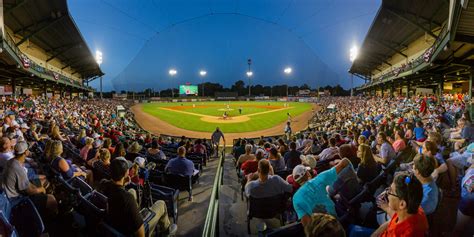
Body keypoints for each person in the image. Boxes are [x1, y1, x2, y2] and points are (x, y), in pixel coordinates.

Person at [99, 157, 177, 237]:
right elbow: (140, 234)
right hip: (131, 231)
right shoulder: (127, 198)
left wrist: (123, 184)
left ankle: (135, 213)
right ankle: (166, 232)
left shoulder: (104, 184)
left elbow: (116, 190)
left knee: (132, 190)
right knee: (161, 203)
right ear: (126, 173)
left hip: (116, 222)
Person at [2, 141, 58, 218]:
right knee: (52, 199)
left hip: (11, 194)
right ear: (25, 152)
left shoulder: (11, 161)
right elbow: (28, 191)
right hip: (15, 200)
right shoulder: (18, 168)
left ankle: (43, 208)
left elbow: (26, 184)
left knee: (43, 183)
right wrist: (40, 189)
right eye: (28, 150)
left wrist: (36, 188)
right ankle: (53, 218)